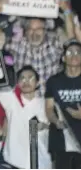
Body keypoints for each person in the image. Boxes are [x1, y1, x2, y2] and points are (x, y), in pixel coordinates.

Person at [45, 39, 81, 168]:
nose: (74, 55)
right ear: (64, 58)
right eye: (70, 52)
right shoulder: (54, 81)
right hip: (61, 139)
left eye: (78, 52)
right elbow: (49, 108)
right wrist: (56, 121)